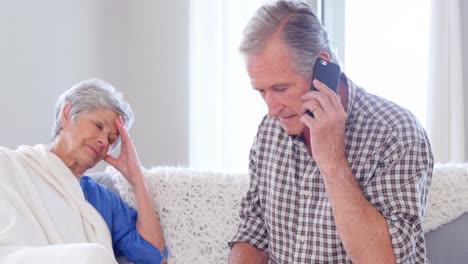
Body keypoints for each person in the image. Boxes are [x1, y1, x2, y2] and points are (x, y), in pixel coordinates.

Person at [228, 1, 433, 263]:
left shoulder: (396, 134)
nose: (271, 109)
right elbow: (253, 232)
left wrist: (333, 162)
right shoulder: (271, 130)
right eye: (262, 91)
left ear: (321, 68)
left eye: (280, 89)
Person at [0, 79, 167, 264]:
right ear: (66, 114)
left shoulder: (102, 199)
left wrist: (137, 177)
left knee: (93, 256)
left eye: (112, 139)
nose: (104, 141)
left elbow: (155, 256)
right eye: (98, 126)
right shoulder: (10, 165)